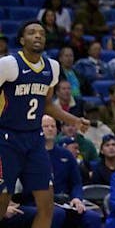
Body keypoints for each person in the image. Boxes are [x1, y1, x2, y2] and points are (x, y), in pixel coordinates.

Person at [0, 21, 90, 228]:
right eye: (32, 33)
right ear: (22, 40)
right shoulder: (8, 64)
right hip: (6, 139)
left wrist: (74, 120)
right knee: (2, 205)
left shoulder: (53, 67)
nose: (38, 36)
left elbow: (46, 104)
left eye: (41, 33)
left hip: (34, 140)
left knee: (47, 206)